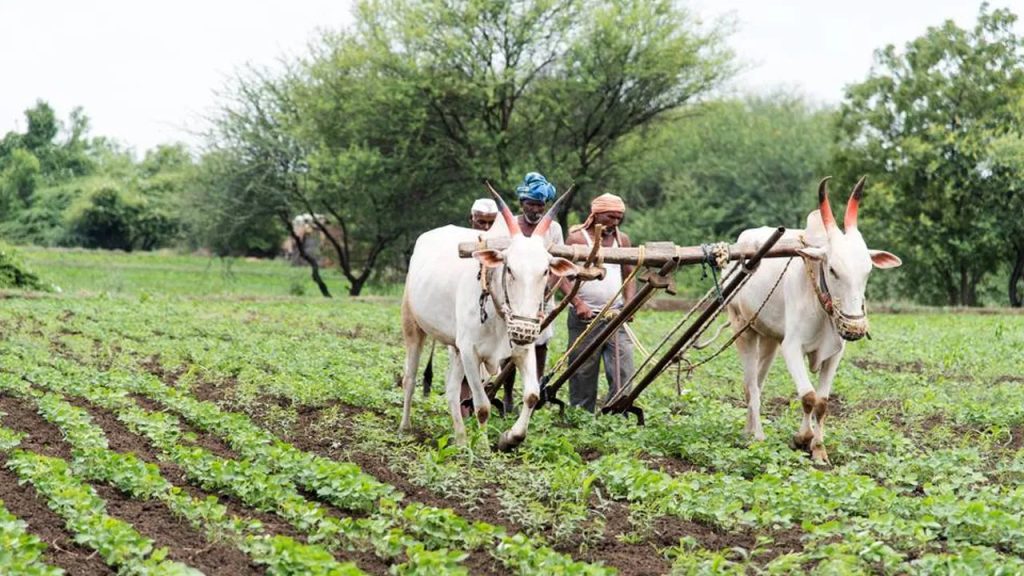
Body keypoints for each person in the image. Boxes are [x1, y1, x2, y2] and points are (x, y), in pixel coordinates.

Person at [562, 193, 636, 413]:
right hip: (585, 316)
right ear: (595, 215)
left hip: (615, 315)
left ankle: (617, 412)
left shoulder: (622, 240)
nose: (615, 222)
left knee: (623, 367)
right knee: (582, 368)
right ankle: (581, 414)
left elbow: (629, 274)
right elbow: (560, 276)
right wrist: (578, 303)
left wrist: (629, 303)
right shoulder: (576, 239)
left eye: (619, 218)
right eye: (610, 217)